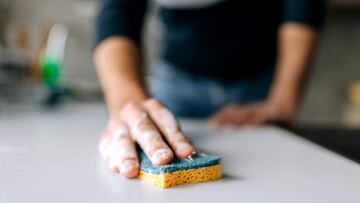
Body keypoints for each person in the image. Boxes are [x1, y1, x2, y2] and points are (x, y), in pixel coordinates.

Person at [94, 0, 325, 178]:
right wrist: (130, 108)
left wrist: (283, 101)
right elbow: (116, 13)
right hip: (176, 82)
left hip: (260, 80)